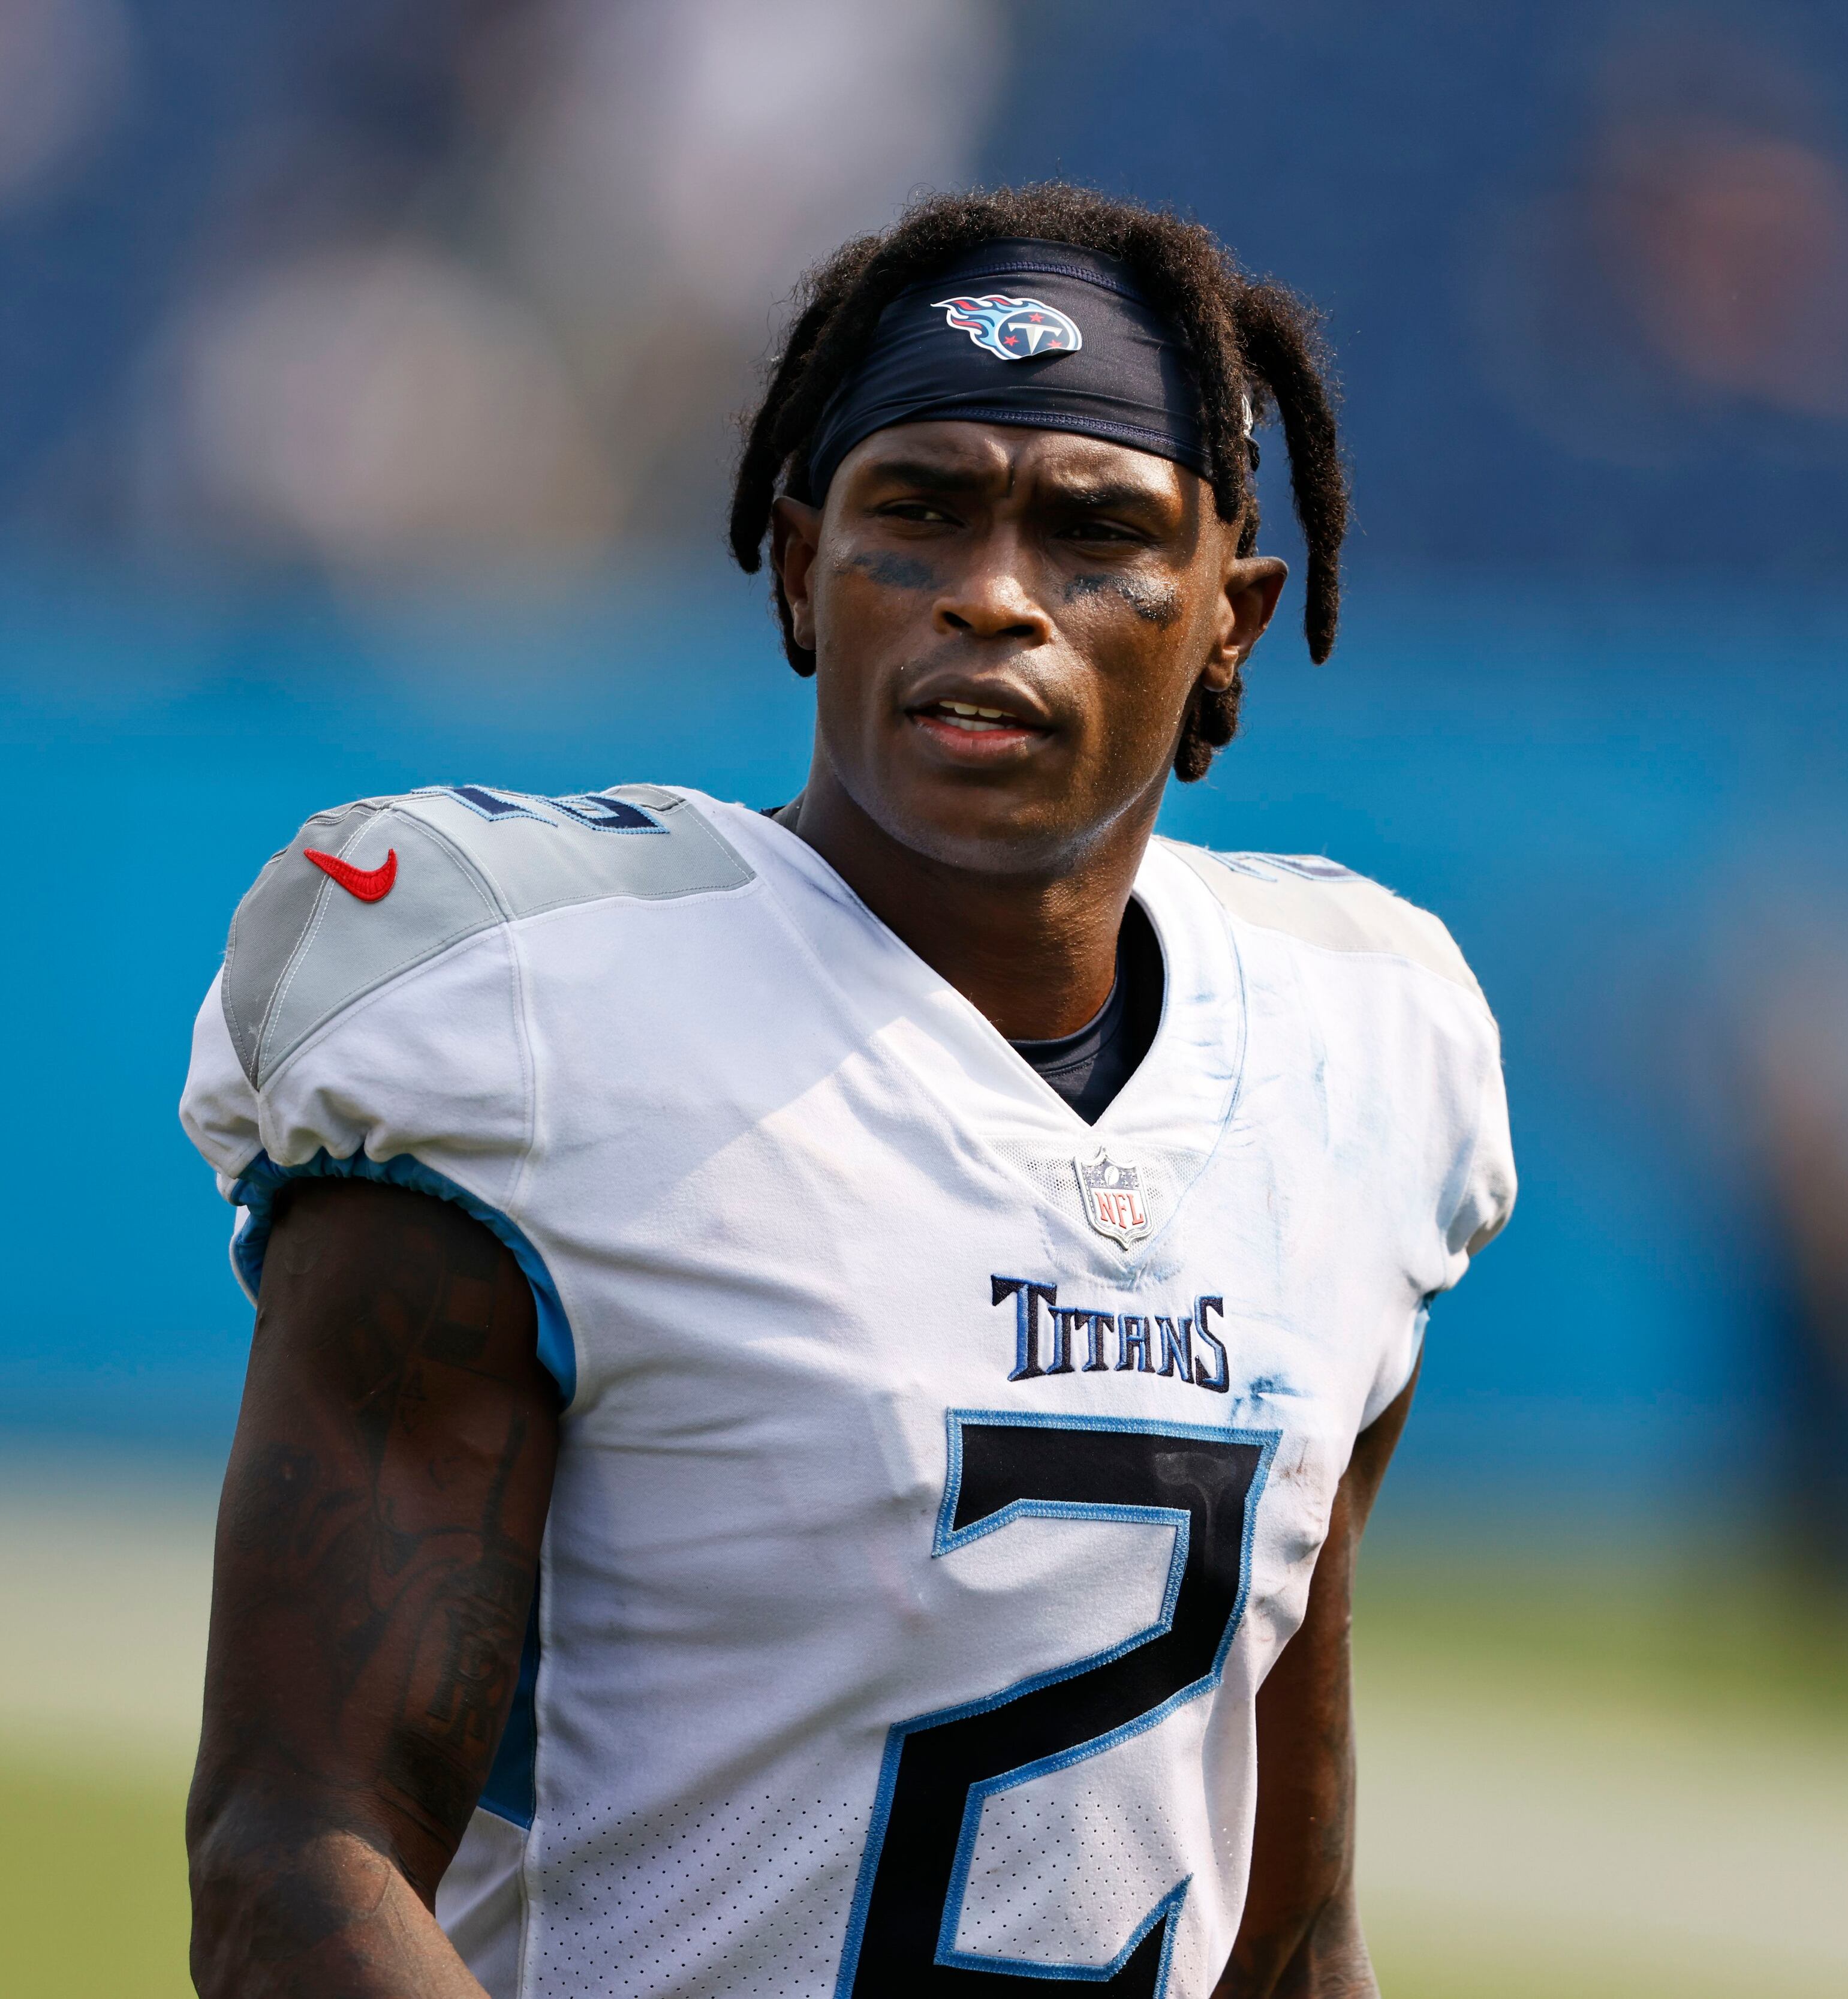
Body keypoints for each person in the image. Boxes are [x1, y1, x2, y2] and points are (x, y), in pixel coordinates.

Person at [177, 183, 1515, 1999]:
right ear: (803, 568)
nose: (992, 594)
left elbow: (1288, 1938)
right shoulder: (538, 1022)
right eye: (922, 510)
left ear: (1231, 621)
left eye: (1097, 532)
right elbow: (292, 1857)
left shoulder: (1357, 1057)